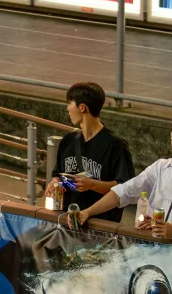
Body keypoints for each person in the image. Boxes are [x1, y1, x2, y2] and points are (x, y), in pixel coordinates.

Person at [71, 110, 172, 232]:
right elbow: (124, 191)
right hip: (151, 245)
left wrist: (164, 229)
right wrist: (87, 212)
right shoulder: (161, 166)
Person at [43, 81, 136, 209]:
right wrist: (54, 185)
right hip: (68, 218)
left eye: (69, 103)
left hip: (101, 223)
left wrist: (92, 184)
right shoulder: (68, 141)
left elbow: (125, 187)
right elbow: (57, 175)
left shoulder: (115, 145)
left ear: (82, 108)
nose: (67, 108)